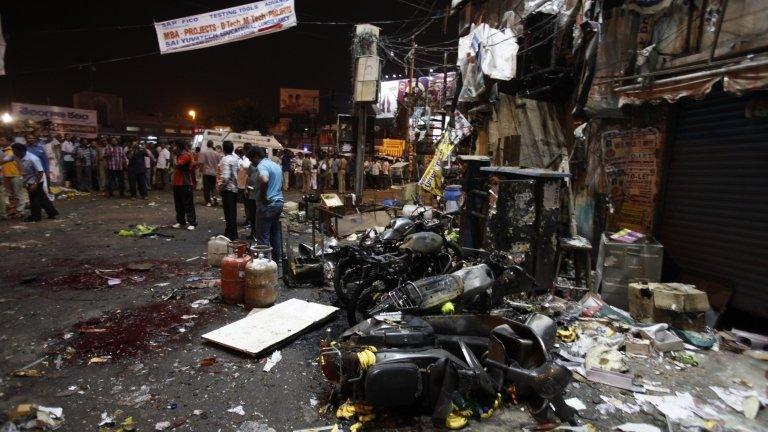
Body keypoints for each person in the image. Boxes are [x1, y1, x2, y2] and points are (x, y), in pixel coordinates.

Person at [8, 143, 58, 222]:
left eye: (14, 151)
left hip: (36, 180)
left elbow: (40, 172)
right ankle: (52, 212)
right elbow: (6, 159)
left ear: (21, 151)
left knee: (34, 199)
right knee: (42, 198)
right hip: (28, 180)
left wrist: (35, 184)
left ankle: (35, 216)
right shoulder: (17, 156)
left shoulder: (33, 159)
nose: (13, 153)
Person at [250, 147, 284, 263]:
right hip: (278, 203)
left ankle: (263, 264)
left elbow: (264, 180)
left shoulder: (262, 166)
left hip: (267, 205)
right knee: (275, 234)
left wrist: (263, 197)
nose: (252, 163)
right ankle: (275, 261)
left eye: (252, 160)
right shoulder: (276, 166)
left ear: (256, 157)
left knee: (263, 236)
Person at [171, 142, 197, 230]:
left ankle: (192, 222)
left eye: (174, 147)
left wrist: (174, 156)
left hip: (185, 183)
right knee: (178, 204)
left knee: (188, 204)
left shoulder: (185, 155)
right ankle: (181, 221)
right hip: (177, 183)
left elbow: (176, 165)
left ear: (179, 147)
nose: (173, 148)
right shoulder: (179, 155)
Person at [218, 140, 240, 240]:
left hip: (228, 189)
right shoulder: (236, 159)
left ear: (223, 149)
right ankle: (232, 233)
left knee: (228, 213)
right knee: (233, 212)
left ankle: (230, 234)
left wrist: (221, 188)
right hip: (235, 188)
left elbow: (226, 178)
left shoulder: (225, 160)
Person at [1, 136, 26, 216]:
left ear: (8, 141)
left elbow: (19, 162)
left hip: (16, 174)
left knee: (18, 193)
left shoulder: (14, 150)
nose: (0, 141)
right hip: (6, 174)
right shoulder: (3, 151)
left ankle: (20, 210)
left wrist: (22, 173)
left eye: (2, 140)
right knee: (10, 194)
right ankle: (13, 209)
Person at [198, 141, 221, 206]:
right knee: (213, 187)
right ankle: (214, 200)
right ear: (212, 145)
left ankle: (208, 202)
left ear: (207, 145)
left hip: (206, 172)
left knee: (206, 188)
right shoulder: (217, 153)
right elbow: (219, 163)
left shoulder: (203, 152)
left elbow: (201, 163)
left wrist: (200, 171)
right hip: (214, 172)